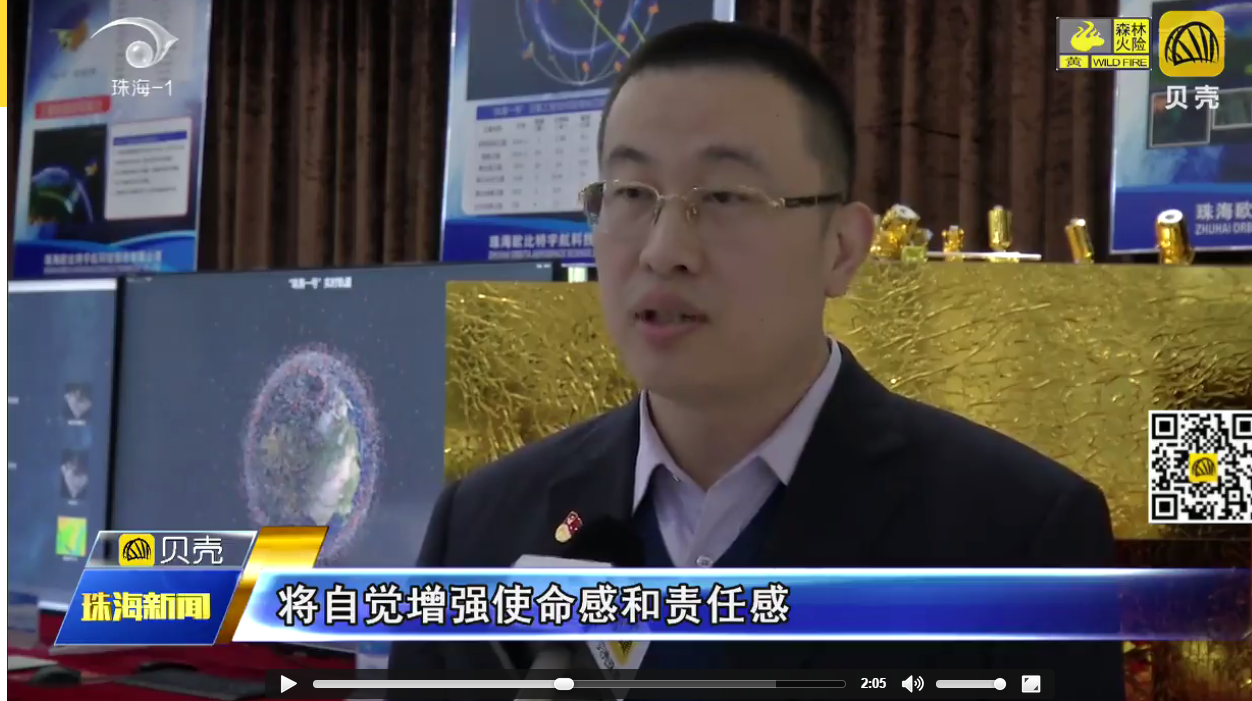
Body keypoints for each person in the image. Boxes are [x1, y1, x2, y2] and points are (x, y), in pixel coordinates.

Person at [391, 21, 1123, 699]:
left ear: (841, 248)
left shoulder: (1017, 535)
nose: (663, 250)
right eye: (632, 192)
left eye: (725, 196)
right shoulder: (480, 528)